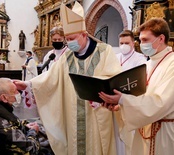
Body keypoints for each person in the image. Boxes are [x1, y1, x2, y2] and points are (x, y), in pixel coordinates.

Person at [14, 2, 122, 155]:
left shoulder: (104, 51)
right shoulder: (68, 56)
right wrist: (28, 84)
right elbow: (50, 78)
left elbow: (114, 77)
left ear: (84, 35)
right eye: (67, 39)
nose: (68, 42)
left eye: (72, 38)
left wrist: (96, 87)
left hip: (96, 115)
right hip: (72, 116)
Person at [99, 18, 174, 155]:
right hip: (143, 129)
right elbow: (139, 96)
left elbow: (161, 102)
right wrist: (118, 106)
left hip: (163, 133)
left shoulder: (172, 64)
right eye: (140, 40)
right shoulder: (148, 64)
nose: (141, 44)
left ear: (161, 38)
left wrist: (122, 100)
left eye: (145, 40)